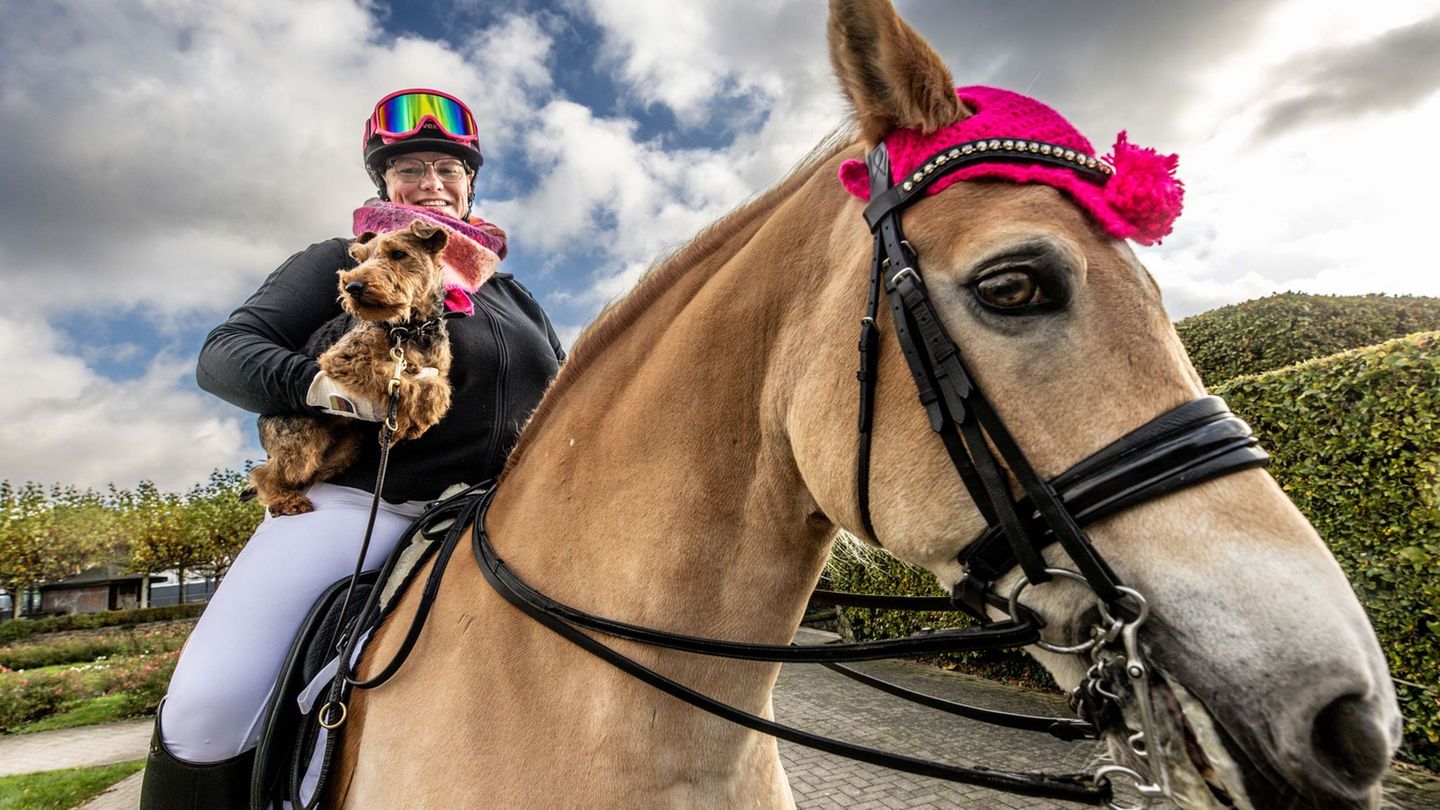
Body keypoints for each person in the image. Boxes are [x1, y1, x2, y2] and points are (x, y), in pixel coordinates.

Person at [139, 89, 566, 808]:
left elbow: (563, 399)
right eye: (409, 168)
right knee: (206, 710)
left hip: (500, 520)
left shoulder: (515, 298)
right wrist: (328, 391)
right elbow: (223, 355)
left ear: (470, 183)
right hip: (360, 507)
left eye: (447, 168)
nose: (430, 182)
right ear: (384, 182)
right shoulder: (337, 261)